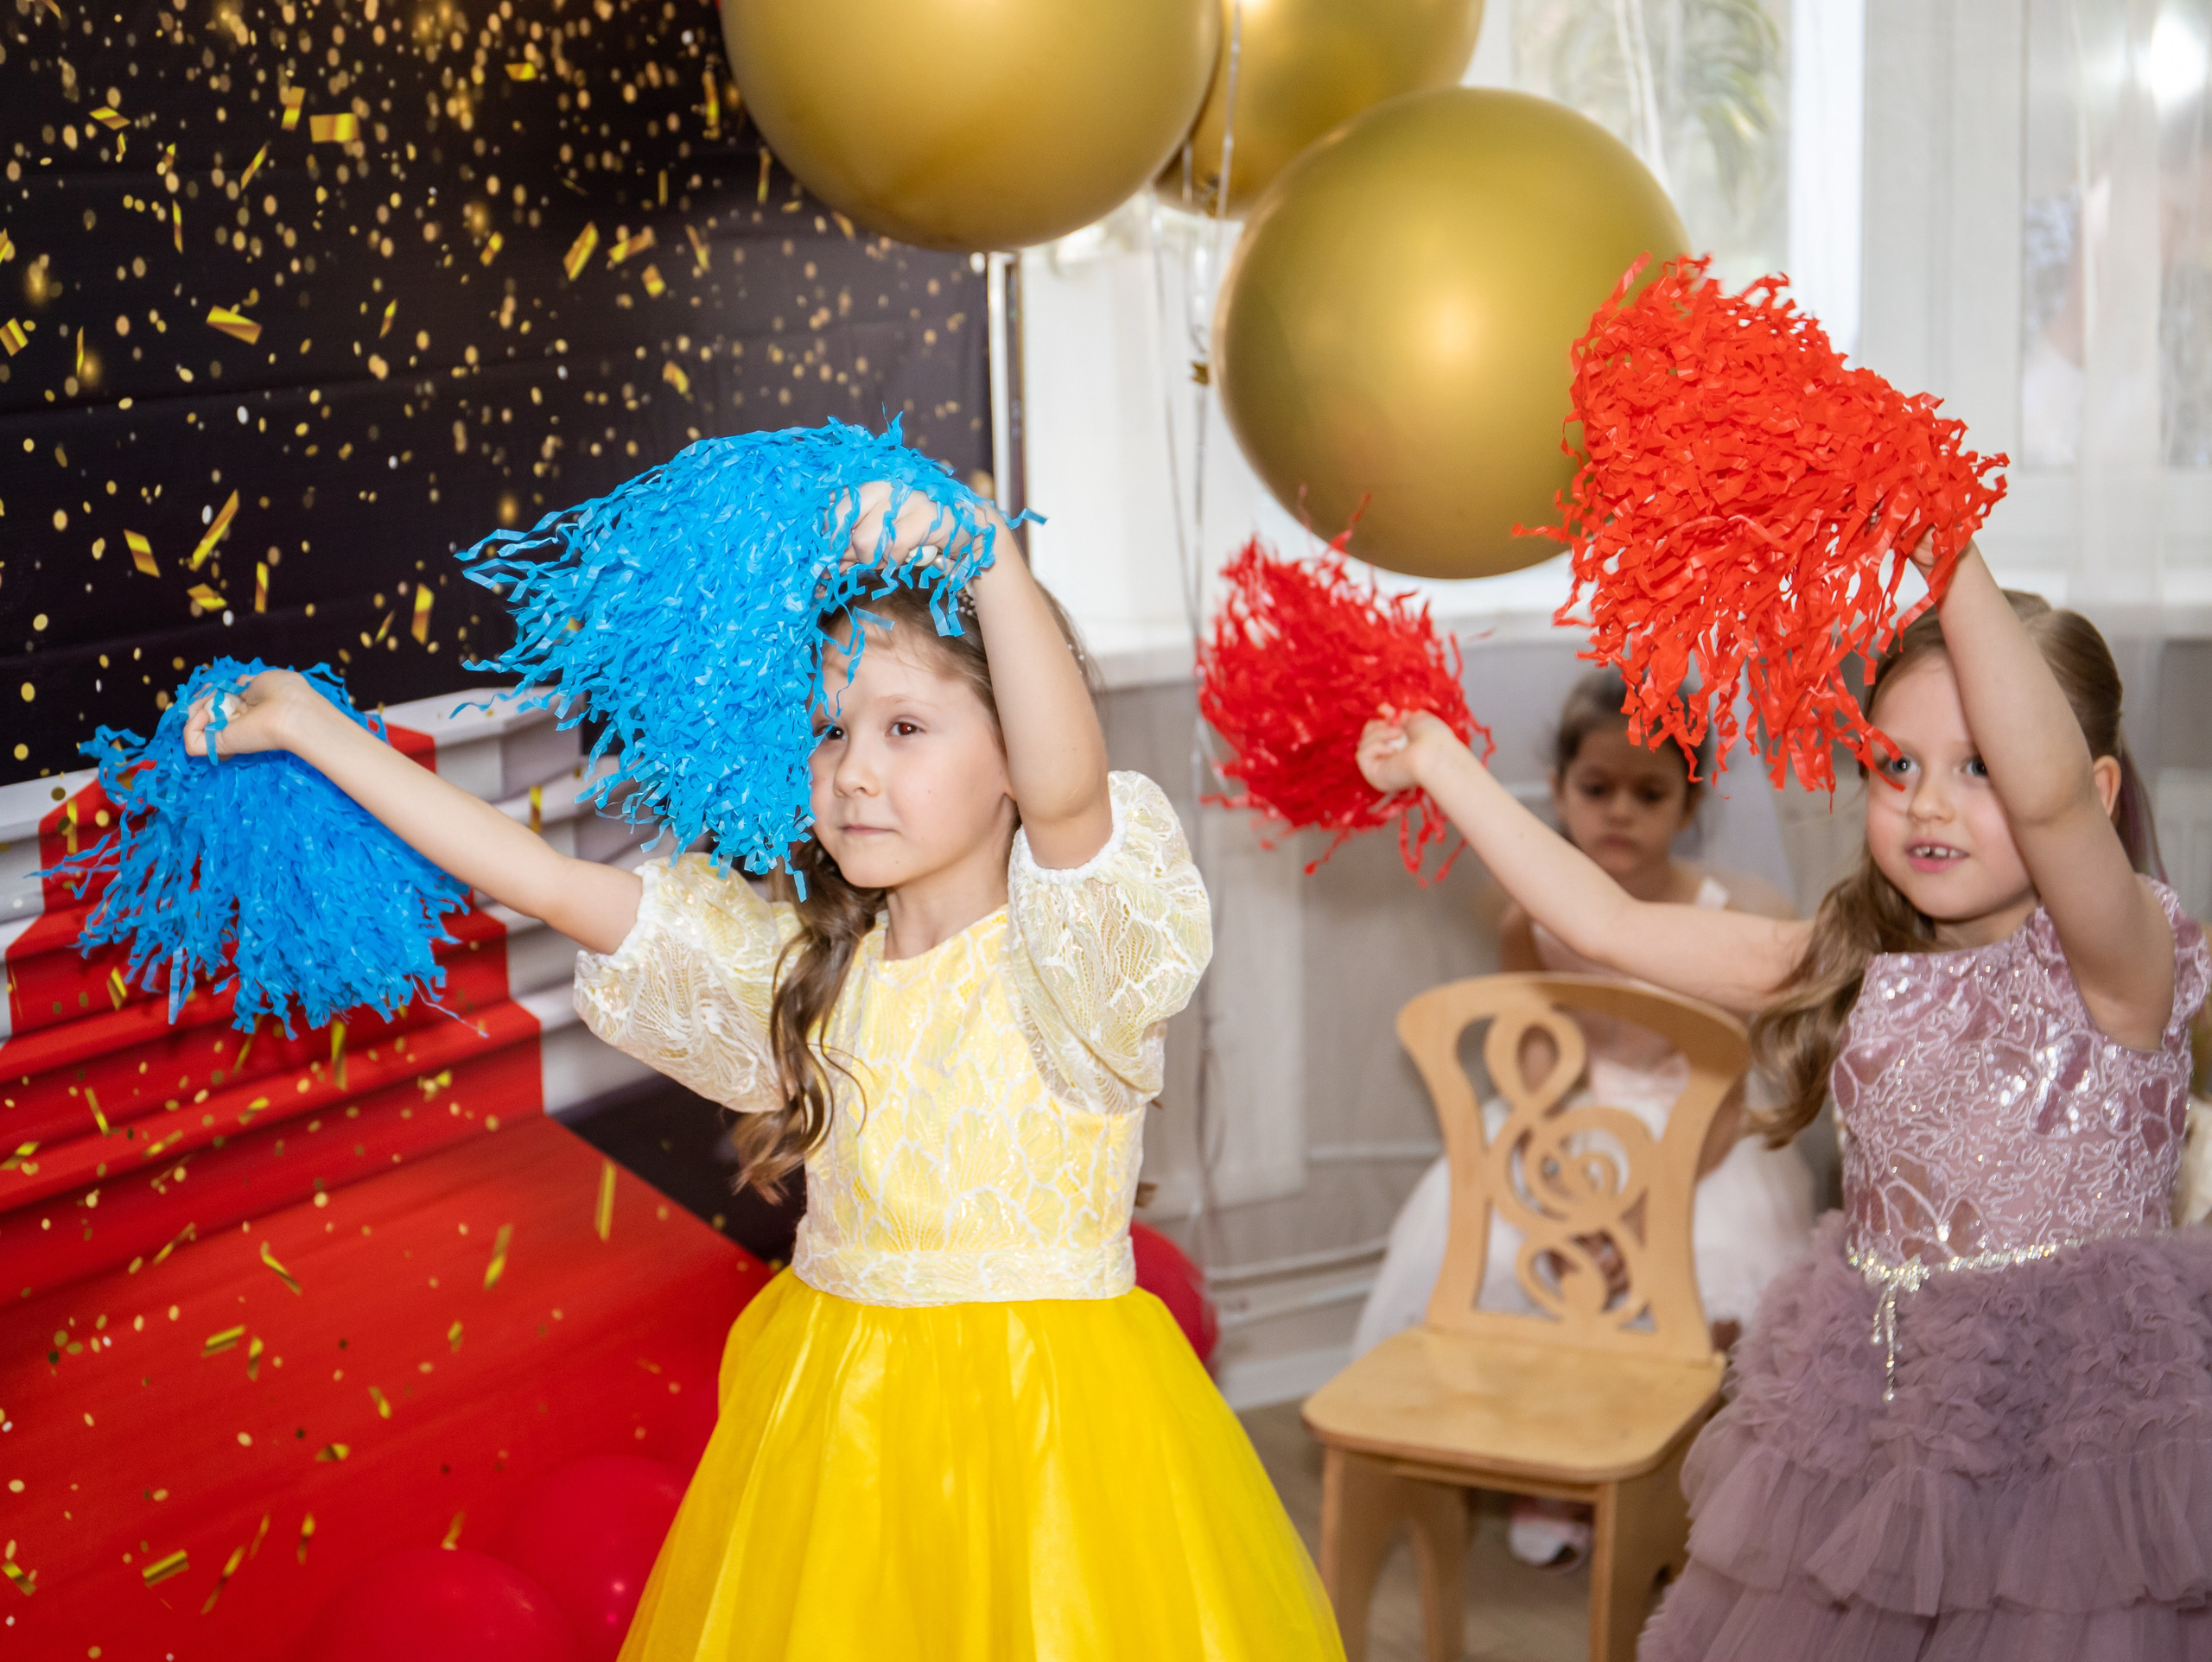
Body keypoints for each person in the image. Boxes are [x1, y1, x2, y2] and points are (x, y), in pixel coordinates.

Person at [188, 482, 1345, 1661]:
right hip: (838, 1441)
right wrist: (316, 732)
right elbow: (541, 882)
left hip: (1056, 1459)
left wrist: (987, 561)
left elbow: (1070, 795)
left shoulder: (1078, 964)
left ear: (1010, 749)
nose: (849, 772)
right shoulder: (801, 970)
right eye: (827, 729)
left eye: (905, 729)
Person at [1356, 536, 2212, 1656]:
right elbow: (1609, 923)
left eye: (1979, 765)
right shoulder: (1850, 956)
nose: (1928, 806)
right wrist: (1439, 760)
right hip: (1888, 1403)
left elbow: (2050, 808)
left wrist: (1945, 550)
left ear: (2093, 787)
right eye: (1895, 767)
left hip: (2077, 1433)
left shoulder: (2122, 963)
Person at [1351, 669, 1815, 1570]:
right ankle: (1550, 1461)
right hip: (1568, 1122)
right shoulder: (1527, 917)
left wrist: (1644, 1208)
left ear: (1688, 805)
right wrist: (1565, 1199)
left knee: (1703, 1282)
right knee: (1501, 1245)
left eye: (1650, 792)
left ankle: (1679, 1469)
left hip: (1696, 1138)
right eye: (1595, 788)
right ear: (1558, 793)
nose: (1620, 812)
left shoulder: (1739, 911)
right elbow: (1534, 1076)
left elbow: (1723, 1088)